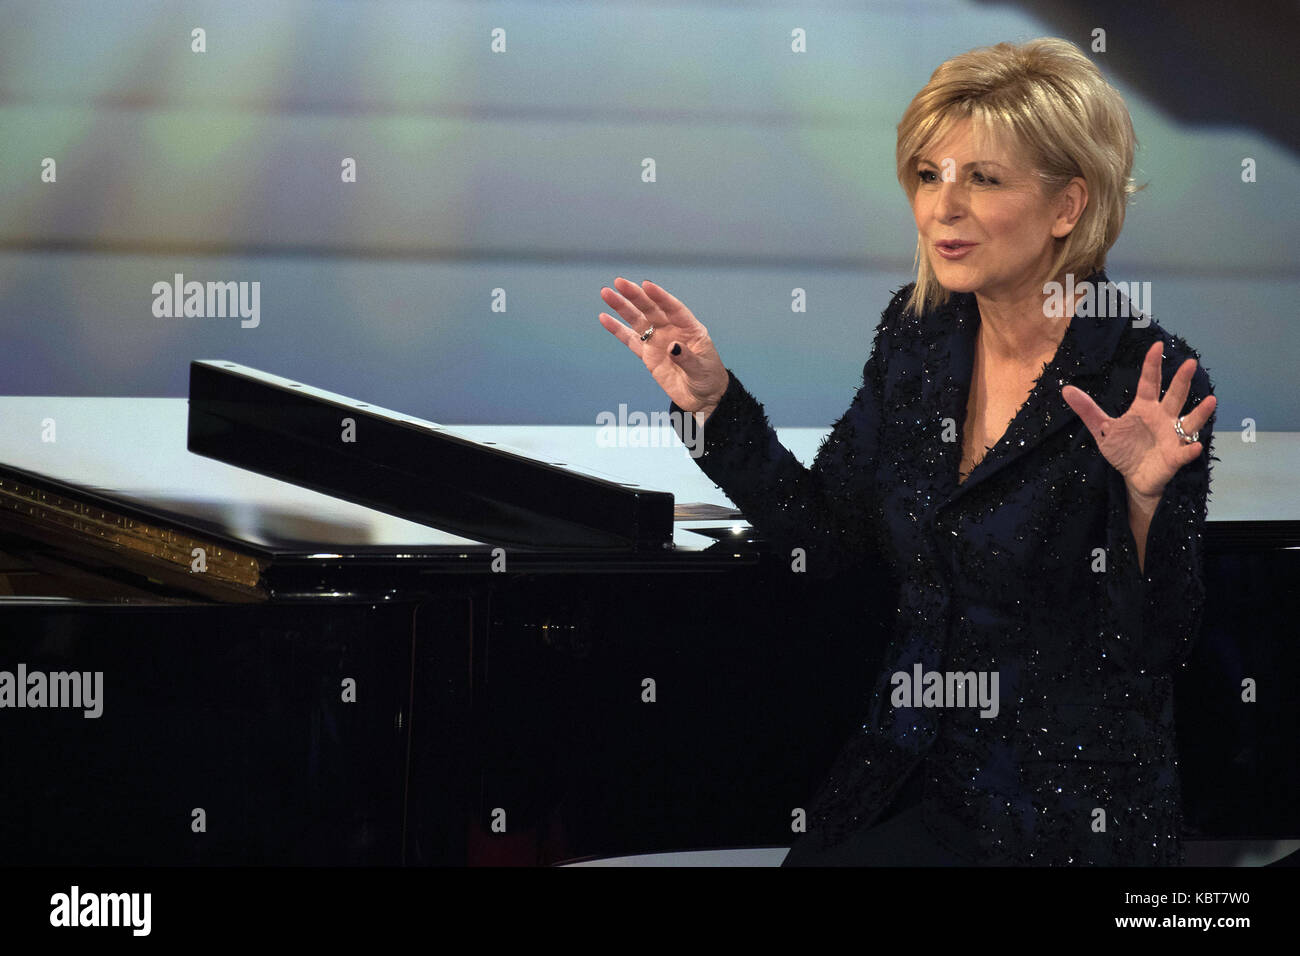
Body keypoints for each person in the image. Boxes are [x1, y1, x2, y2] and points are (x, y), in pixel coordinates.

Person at [595, 37, 1216, 865]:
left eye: (982, 179)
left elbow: (1158, 644)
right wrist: (714, 406)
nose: (941, 208)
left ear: (1068, 207)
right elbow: (826, 541)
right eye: (929, 175)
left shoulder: (1146, 377)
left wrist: (1142, 504)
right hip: (903, 775)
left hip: (1063, 818)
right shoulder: (920, 337)